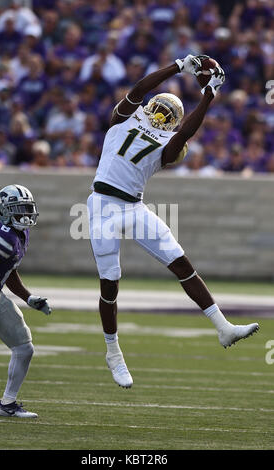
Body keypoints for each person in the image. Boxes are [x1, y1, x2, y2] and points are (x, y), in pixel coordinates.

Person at [87, 54, 259, 389]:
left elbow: (185, 134)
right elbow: (140, 87)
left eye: (172, 113)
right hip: (103, 205)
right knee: (111, 281)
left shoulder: (170, 142)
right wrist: (178, 67)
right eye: (162, 106)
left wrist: (209, 95)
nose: (164, 113)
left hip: (133, 207)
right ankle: (113, 350)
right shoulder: (122, 118)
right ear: (151, 106)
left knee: (179, 260)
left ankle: (223, 327)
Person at [0, 184, 51, 417]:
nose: (25, 215)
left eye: (27, 209)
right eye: (19, 209)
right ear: (5, 211)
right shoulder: (0, 236)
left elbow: (8, 270)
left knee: (24, 347)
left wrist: (28, 297)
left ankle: (7, 404)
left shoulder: (18, 232)